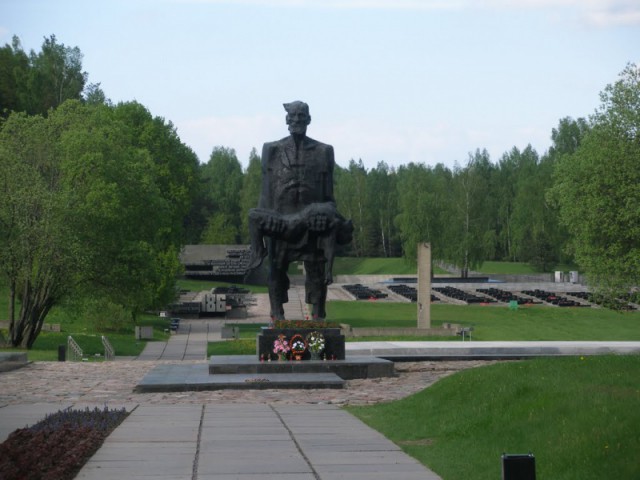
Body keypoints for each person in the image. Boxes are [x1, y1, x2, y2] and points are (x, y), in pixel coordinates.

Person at [247, 101, 352, 321]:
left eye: (301, 116)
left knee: (317, 272)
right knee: (275, 270)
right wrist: (265, 228)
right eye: (293, 116)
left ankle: (318, 317)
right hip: (280, 224)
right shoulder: (271, 150)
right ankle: (277, 316)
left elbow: (329, 198)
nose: (297, 120)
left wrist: (324, 213)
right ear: (287, 120)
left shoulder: (324, 151)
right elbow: (265, 194)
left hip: (312, 225)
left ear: (308, 120)